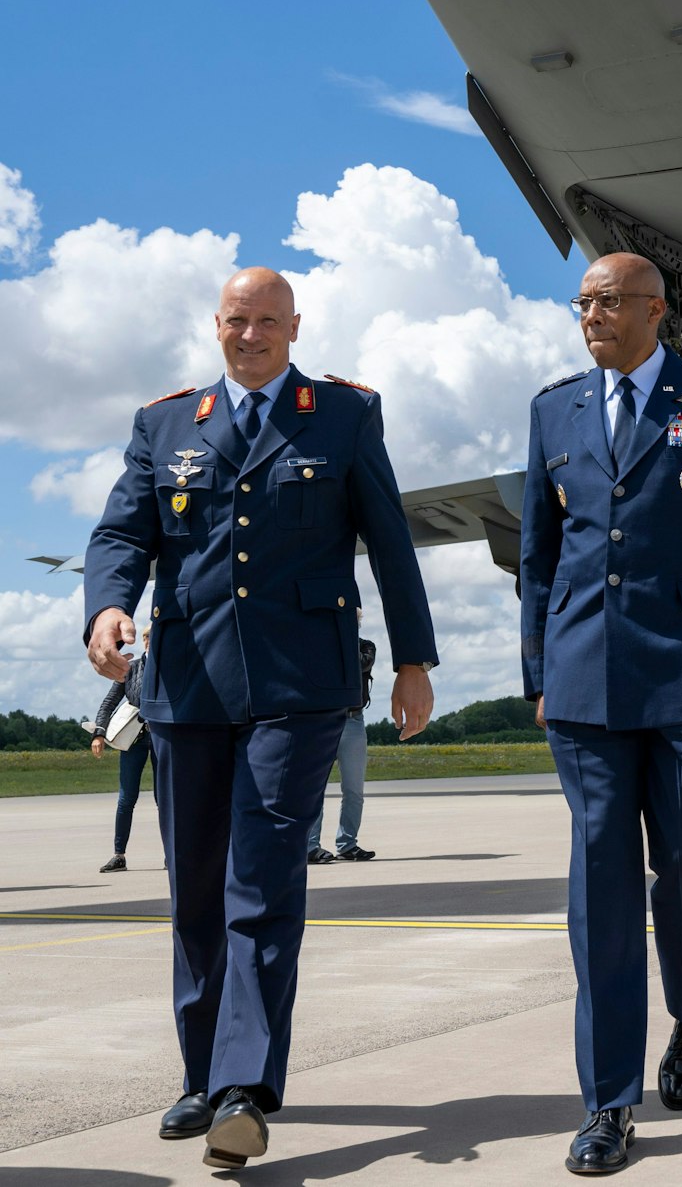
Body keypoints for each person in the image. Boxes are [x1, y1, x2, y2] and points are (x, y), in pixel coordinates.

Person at [83, 267, 438, 1170]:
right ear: (217, 325)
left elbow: (390, 541)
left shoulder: (345, 414)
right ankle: (202, 1074)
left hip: (299, 687)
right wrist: (109, 604)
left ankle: (243, 1087)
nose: (252, 335)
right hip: (188, 687)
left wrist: (412, 661)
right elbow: (122, 533)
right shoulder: (167, 424)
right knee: (196, 888)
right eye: (238, 321)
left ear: (295, 326)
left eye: (268, 321)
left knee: (264, 877)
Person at [519, 252, 682, 1176]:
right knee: (599, 878)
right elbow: (538, 555)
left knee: (681, 855)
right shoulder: (554, 408)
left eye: (607, 301)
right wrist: (538, 670)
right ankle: (608, 1101)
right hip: (582, 678)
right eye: (582, 302)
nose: (591, 315)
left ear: (655, 310)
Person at [308, 625, 377, 863]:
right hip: (321, 721)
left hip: (354, 720)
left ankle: (347, 844)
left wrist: (343, 639)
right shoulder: (319, 644)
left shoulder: (365, 646)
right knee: (315, 789)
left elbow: (360, 664)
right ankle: (310, 847)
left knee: (354, 790)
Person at [89, 629, 150, 873]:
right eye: (146, 637)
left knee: (166, 798)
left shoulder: (172, 667)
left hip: (164, 739)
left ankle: (173, 853)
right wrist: (99, 733)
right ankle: (119, 855)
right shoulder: (130, 669)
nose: (149, 640)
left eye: (153, 635)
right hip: (133, 739)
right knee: (126, 798)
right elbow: (109, 703)